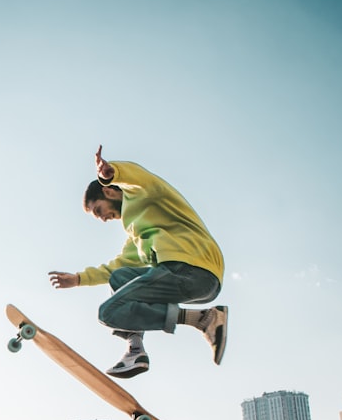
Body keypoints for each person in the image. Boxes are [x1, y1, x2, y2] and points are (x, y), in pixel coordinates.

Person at [48, 145, 228, 378]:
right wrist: (79, 279)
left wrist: (113, 174)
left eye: (99, 210)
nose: (102, 219)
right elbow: (118, 266)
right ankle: (135, 349)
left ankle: (202, 319)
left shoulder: (143, 193)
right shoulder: (138, 232)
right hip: (188, 277)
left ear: (110, 193)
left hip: (191, 268)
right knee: (119, 278)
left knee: (108, 313)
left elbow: (141, 179)